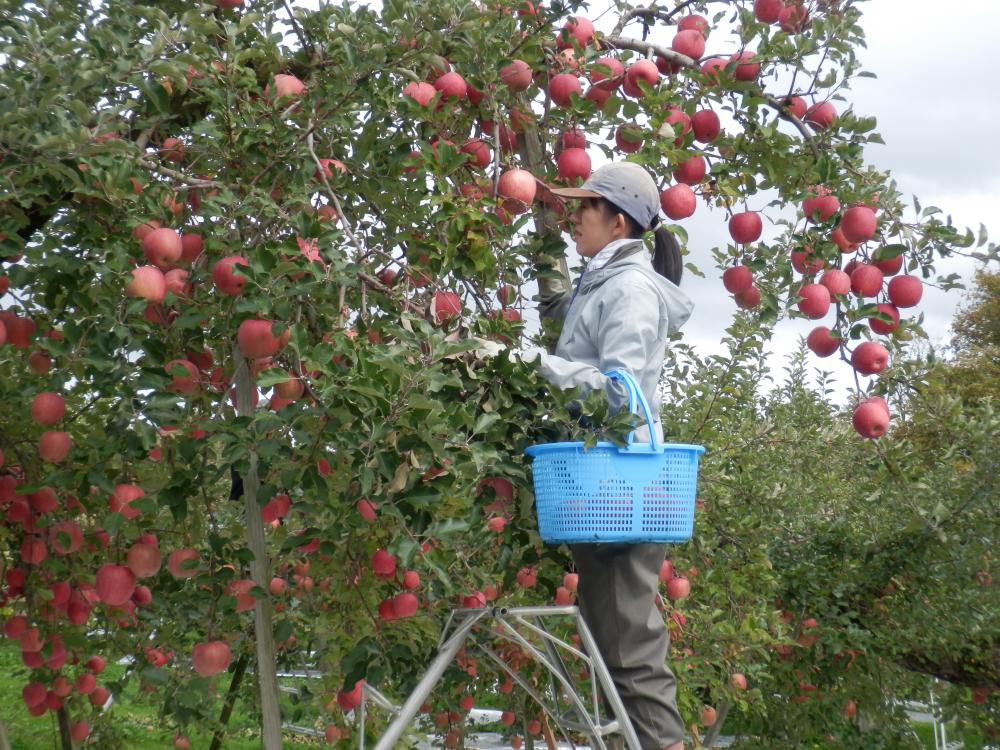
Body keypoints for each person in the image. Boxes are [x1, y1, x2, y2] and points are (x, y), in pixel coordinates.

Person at [528, 162, 695, 750]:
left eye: (584, 209)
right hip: (600, 486)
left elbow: (620, 392)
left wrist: (532, 365)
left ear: (616, 220)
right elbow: (563, 322)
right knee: (610, 647)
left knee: (630, 653)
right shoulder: (602, 282)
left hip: (624, 488)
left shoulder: (628, 289)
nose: (575, 218)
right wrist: (544, 238)